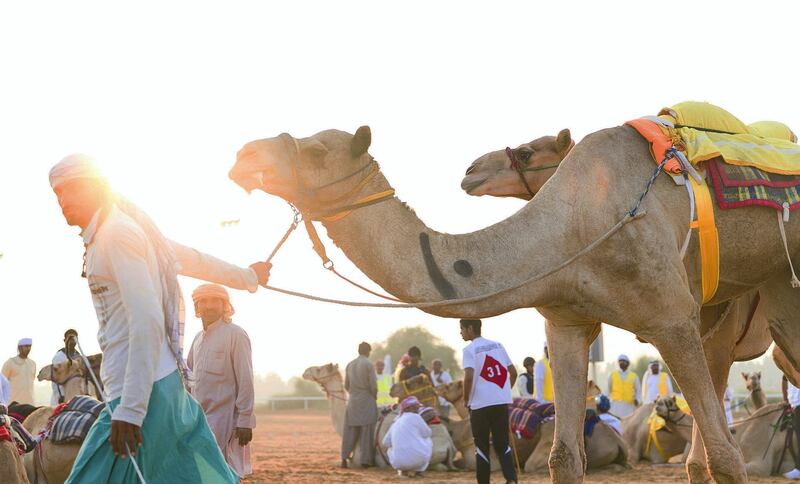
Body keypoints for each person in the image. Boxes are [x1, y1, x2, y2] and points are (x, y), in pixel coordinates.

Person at [49, 154, 270, 483]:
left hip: (140, 394)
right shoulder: (124, 232)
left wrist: (131, 410)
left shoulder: (117, 235)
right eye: (57, 194)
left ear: (97, 187)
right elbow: (189, 258)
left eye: (71, 189)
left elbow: (148, 320)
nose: (63, 201)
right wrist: (247, 277)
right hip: (160, 389)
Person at [187, 284, 255, 479]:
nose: (209, 306)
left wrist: (245, 420)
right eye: (204, 301)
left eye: (215, 300)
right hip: (200, 424)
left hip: (227, 424)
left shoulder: (236, 334)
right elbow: (188, 380)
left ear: (224, 304)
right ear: (197, 307)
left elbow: (246, 379)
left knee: (227, 475)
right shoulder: (197, 339)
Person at [460, 319, 518, 484]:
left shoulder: (469, 350)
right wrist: (503, 391)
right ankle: (511, 479)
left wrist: (465, 399)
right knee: (502, 443)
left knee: (482, 446)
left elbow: (469, 376)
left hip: (479, 405)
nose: (461, 333)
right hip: (500, 403)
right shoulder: (498, 345)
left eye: (462, 329)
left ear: (470, 328)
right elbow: (512, 372)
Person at [341, 342, 378, 468]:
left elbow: (346, 385)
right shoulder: (368, 364)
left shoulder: (350, 364)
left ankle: (344, 458)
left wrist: (354, 393)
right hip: (366, 400)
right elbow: (373, 385)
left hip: (352, 401)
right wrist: (374, 397)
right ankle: (365, 460)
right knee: (366, 430)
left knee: (350, 431)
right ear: (368, 351)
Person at [381, 396, 432, 478]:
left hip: (398, 463)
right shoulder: (417, 417)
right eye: (415, 407)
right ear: (409, 408)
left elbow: (385, 442)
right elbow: (428, 433)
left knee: (390, 448)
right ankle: (418, 470)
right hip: (418, 461)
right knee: (428, 439)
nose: (417, 409)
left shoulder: (396, 421)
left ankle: (403, 471)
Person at [2, 338, 36, 405]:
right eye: (26, 346)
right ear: (20, 347)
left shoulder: (32, 364)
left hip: (30, 404)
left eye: (30, 346)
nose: (28, 348)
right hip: (13, 405)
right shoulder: (10, 362)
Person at [51, 329, 81, 405]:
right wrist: (61, 396)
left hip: (76, 397)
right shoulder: (58, 357)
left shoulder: (79, 357)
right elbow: (56, 380)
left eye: (74, 338)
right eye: (69, 339)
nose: (72, 341)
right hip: (62, 399)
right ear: (64, 340)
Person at [782, 375, 800, 480]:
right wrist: (786, 400)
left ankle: (799, 469)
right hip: (794, 406)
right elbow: (784, 379)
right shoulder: (788, 366)